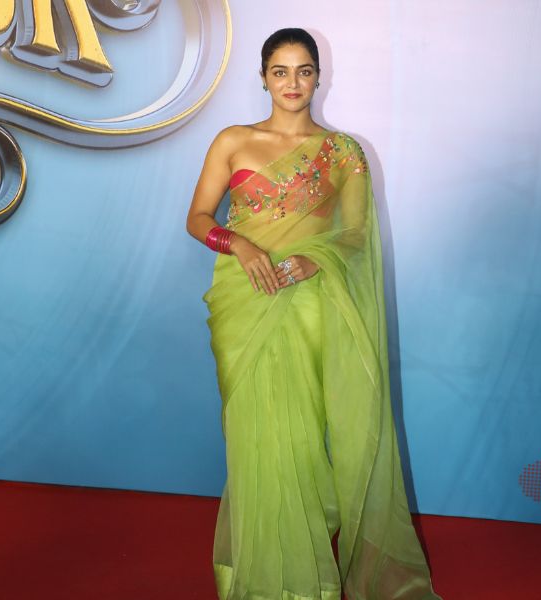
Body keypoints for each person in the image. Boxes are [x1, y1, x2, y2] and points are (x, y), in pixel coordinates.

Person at [186, 27, 442, 600]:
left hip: (311, 306)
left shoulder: (344, 152)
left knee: (307, 439)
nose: (292, 83)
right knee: (258, 440)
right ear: (263, 77)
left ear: (319, 77)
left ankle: (310, 578)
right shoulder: (233, 140)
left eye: (303, 71)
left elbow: (355, 235)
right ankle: (270, 580)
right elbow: (198, 217)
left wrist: (312, 259)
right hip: (244, 304)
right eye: (280, 71)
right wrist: (240, 244)